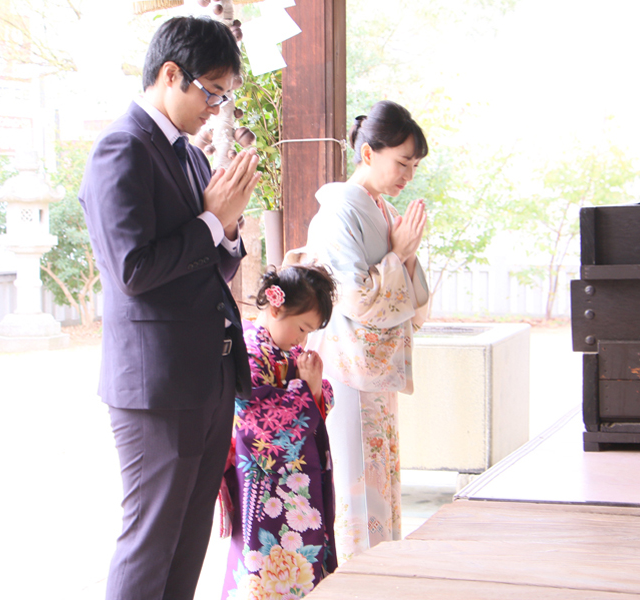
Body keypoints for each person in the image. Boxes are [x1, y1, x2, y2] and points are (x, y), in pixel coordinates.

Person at [78, 16, 260, 600]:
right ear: (170, 74)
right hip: (156, 385)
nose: (217, 107)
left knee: (191, 533)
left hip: (206, 375)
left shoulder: (189, 155)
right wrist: (211, 221)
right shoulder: (121, 149)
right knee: (152, 538)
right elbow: (132, 270)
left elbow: (218, 264)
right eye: (211, 91)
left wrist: (227, 229)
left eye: (224, 95)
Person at [286, 100, 430, 563]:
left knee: (377, 476)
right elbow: (355, 298)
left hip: (374, 367)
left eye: (414, 165)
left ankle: (380, 575)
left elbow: (415, 302)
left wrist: (402, 255)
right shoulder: (339, 211)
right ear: (368, 153)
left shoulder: (382, 211)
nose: (408, 174)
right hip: (346, 365)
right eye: (401, 162)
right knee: (352, 476)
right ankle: (355, 579)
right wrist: (399, 256)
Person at [220, 265, 340, 600]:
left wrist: (313, 389)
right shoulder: (247, 351)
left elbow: (323, 394)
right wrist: (305, 390)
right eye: (301, 328)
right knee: (260, 568)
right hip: (262, 489)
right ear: (275, 308)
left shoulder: (290, 353)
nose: (302, 339)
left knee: (306, 559)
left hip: (297, 487)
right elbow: (254, 421)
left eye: (308, 333)